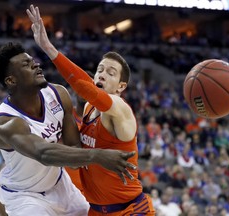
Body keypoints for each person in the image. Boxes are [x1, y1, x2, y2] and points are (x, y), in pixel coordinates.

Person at [0, 28, 136, 216]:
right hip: (25, 196)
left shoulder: (58, 94)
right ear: (11, 80)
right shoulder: (6, 123)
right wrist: (98, 155)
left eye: (33, 61)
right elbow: (43, 153)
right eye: (27, 65)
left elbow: (74, 149)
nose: (36, 65)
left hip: (60, 185)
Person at [27, 4, 155, 215]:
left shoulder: (120, 109)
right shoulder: (88, 107)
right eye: (100, 70)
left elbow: (83, 86)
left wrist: (50, 49)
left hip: (130, 210)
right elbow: (85, 87)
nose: (102, 74)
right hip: (95, 210)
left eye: (111, 73)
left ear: (121, 86)